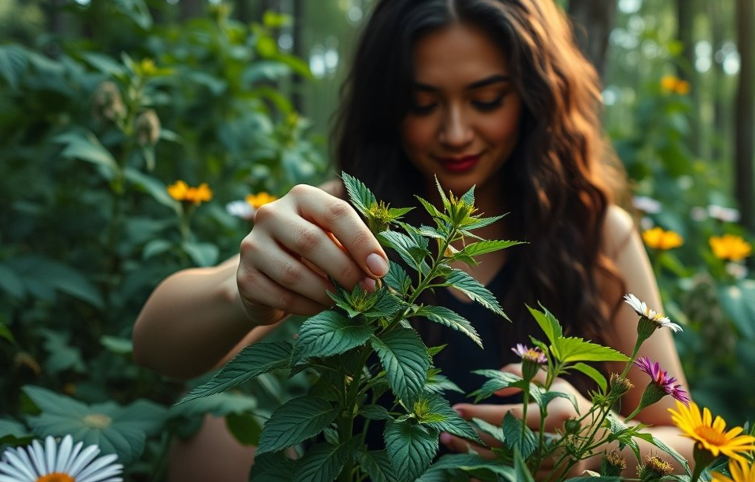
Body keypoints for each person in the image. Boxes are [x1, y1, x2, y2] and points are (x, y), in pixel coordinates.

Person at [133, 0, 695, 480]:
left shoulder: (594, 234)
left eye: (486, 99)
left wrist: (598, 439)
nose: (454, 133)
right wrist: (243, 291)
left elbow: (688, 445)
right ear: (387, 105)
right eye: (422, 104)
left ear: (534, 97)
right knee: (208, 425)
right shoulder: (352, 217)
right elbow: (157, 347)